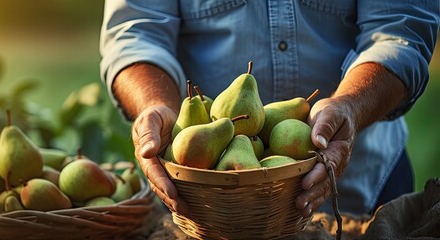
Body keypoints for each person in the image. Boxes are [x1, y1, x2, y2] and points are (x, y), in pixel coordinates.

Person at [99, 0, 440, 217]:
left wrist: (350, 107)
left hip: (365, 187)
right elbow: (135, 33)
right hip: (203, 202)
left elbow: (401, 30)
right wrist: (156, 106)